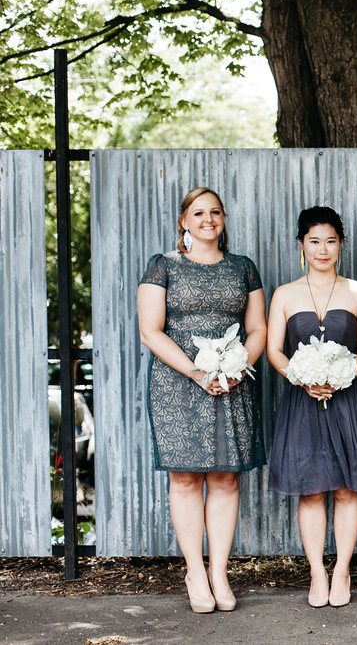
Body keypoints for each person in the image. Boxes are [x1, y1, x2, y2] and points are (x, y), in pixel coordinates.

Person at [137, 187, 267, 613]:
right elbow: (150, 331)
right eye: (198, 213)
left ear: (223, 219)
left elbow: (258, 328)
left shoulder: (243, 267)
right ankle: (195, 571)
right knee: (186, 478)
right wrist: (196, 372)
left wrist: (236, 368)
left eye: (215, 212)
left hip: (232, 381)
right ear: (184, 221)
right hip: (177, 383)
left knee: (226, 478)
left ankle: (219, 572)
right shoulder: (163, 265)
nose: (208, 219)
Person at [266, 206, 357, 608]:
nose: (323, 249)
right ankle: (317, 572)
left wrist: (342, 375)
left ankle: (343, 570)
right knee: (311, 491)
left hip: (348, 400)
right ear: (301, 244)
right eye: (314, 241)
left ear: (340, 244)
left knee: (347, 490)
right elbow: (274, 351)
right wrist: (302, 377)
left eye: (330, 241)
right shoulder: (285, 294)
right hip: (303, 402)